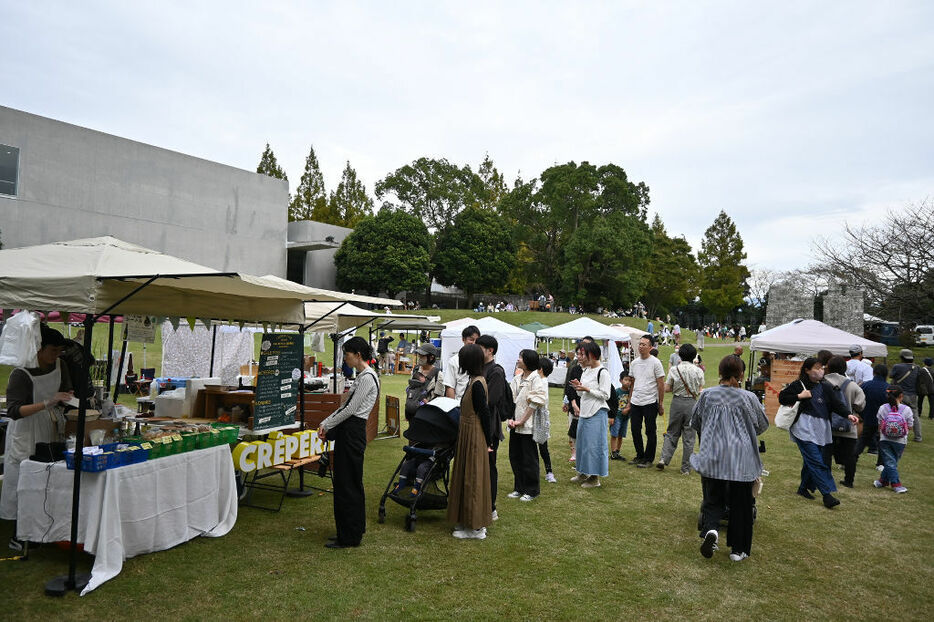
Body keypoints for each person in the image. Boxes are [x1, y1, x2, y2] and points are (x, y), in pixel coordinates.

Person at [2, 324, 74, 550]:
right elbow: (14, 411)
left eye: (59, 351)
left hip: (49, 425)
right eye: (53, 350)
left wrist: (66, 399)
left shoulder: (60, 365)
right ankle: (20, 534)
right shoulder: (20, 374)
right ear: (38, 349)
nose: (57, 355)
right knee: (23, 480)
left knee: (47, 476)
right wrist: (46, 403)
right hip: (25, 429)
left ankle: (45, 527)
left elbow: (65, 390)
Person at [693, 355, 768, 562]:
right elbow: (761, 425)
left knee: (712, 497)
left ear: (720, 372)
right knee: (741, 503)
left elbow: (696, 421)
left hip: (713, 453)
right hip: (741, 458)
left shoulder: (707, 395)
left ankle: (712, 530)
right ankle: (737, 549)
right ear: (741, 374)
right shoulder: (748, 398)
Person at [317, 337, 380, 549]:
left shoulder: (368, 378)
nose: (345, 358)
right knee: (347, 482)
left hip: (353, 433)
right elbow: (345, 406)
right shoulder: (363, 376)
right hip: (348, 431)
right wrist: (326, 422)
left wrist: (327, 425)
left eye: (347, 354)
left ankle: (350, 535)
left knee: (348, 484)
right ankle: (350, 530)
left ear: (358, 355)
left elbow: (351, 409)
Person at [778, 357, 857, 509]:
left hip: (822, 429)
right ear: (807, 370)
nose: (820, 371)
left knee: (814, 459)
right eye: (816, 368)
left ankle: (803, 488)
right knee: (816, 460)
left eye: (822, 368)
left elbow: (836, 404)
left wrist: (848, 414)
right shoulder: (798, 385)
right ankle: (827, 495)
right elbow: (782, 397)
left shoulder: (826, 386)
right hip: (803, 428)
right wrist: (799, 396)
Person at [448, 344, 494, 539]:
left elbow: (484, 413)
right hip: (468, 432)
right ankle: (467, 520)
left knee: (473, 477)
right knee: (467, 475)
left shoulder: (477, 383)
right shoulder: (472, 380)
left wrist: (488, 440)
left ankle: (476, 528)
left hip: (474, 433)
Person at [569, 341, 611, 488]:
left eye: (583, 354)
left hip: (597, 412)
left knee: (594, 446)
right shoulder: (586, 370)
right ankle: (582, 472)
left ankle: (594, 477)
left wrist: (587, 389)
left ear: (591, 355)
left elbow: (606, 394)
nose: (580, 357)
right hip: (585, 412)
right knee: (581, 444)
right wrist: (578, 387)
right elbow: (581, 394)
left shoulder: (602, 372)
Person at [476, 334, 509, 520]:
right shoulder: (480, 368)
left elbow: (491, 399)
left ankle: (491, 506)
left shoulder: (496, 371)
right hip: (477, 423)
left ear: (490, 351)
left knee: (489, 466)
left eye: (480, 348)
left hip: (490, 426)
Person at [658, 344, 705, 474]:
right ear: (694, 356)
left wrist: (677, 388)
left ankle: (664, 458)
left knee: (672, 431)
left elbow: (667, 388)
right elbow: (700, 389)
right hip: (692, 403)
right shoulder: (699, 371)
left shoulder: (674, 369)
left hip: (677, 402)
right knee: (689, 437)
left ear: (680, 355)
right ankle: (685, 468)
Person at [507, 349, 546, 501]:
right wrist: (511, 419)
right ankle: (519, 487)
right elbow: (511, 400)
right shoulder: (517, 378)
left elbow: (535, 403)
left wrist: (522, 421)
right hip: (514, 425)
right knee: (515, 457)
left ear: (528, 360)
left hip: (528, 426)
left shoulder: (537, 379)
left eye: (521, 358)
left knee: (529, 458)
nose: (518, 360)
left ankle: (532, 490)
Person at [824, 356, 865, 488]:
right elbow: (860, 405)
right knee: (850, 456)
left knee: (826, 454)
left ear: (828, 367)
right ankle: (849, 480)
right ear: (845, 368)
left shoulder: (823, 382)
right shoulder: (852, 385)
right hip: (848, 426)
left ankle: (826, 478)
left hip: (826, 425)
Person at [628, 335, 666, 467]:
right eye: (640, 344)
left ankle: (649, 459)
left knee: (650, 430)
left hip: (650, 401)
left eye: (644, 344)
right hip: (636, 401)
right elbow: (632, 383)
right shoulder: (634, 363)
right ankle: (640, 455)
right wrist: (629, 401)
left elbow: (660, 384)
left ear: (651, 347)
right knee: (634, 429)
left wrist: (660, 403)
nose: (641, 346)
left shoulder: (656, 362)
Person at [873, 386, 913, 493]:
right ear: (901, 396)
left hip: (885, 439)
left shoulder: (882, 408)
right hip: (900, 441)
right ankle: (896, 484)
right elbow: (910, 426)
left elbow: (880, 425)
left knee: (890, 462)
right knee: (892, 462)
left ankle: (883, 481)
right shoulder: (907, 410)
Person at [563, 337, 594, 462]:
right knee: (573, 429)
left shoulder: (595, 370)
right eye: (579, 352)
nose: (581, 355)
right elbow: (569, 386)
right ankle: (574, 452)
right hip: (574, 402)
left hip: (588, 404)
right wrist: (571, 403)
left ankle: (585, 454)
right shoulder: (575, 368)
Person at [856, 364, 888, 459]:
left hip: (868, 416)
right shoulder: (889, 388)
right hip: (883, 420)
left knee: (863, 439)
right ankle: (880, 463)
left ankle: (852, 458)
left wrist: (861, 414)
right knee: (882, 441)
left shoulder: (866, 385)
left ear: (873, 373)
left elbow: (859, 400)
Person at [403, 343, 443, 421]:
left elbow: (439, 398)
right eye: (419, 355)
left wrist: (427, 403)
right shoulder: (416, 370)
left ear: (431, 357)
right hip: (412, 412)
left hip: (427, 414)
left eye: (422, 355)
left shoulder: (438, 375)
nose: (419, 358)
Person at [889, 349, 921, 442]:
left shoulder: (897, 366)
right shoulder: (917, 367)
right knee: (915, 416)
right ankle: (918, 436)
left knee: (897, 414)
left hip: (900, 395)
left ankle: (896, 433)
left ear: (902, 357)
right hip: (913, 395)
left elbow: (891, 376)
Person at [535, 358, 557, 484]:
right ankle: (547, 472)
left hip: (540, 417)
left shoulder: (542, 381)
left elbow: (540, 400)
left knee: (542, 446)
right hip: (539, 416)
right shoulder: (541, 380)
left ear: (541, 369)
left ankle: (549, 472)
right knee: (541, 446)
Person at [444, 325, 480, 400]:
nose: (474, 343)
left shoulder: (481, 359)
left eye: (476, 341)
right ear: (463, 339)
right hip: (459, 404)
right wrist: (453, 407)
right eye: (471, 340)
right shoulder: (454, 361)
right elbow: (450, 386)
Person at [609, 373, 632, 461]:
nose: (627, 382)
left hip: (625, 417)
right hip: (617, 416)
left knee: (621, 435)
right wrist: (611, 416)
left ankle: (618, 451)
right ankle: (613, 452)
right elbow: (612, 404)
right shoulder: (617, 391)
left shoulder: (631, 392)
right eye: (625, 380)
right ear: (621, 380)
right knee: (614, 434)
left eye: (629, 380)